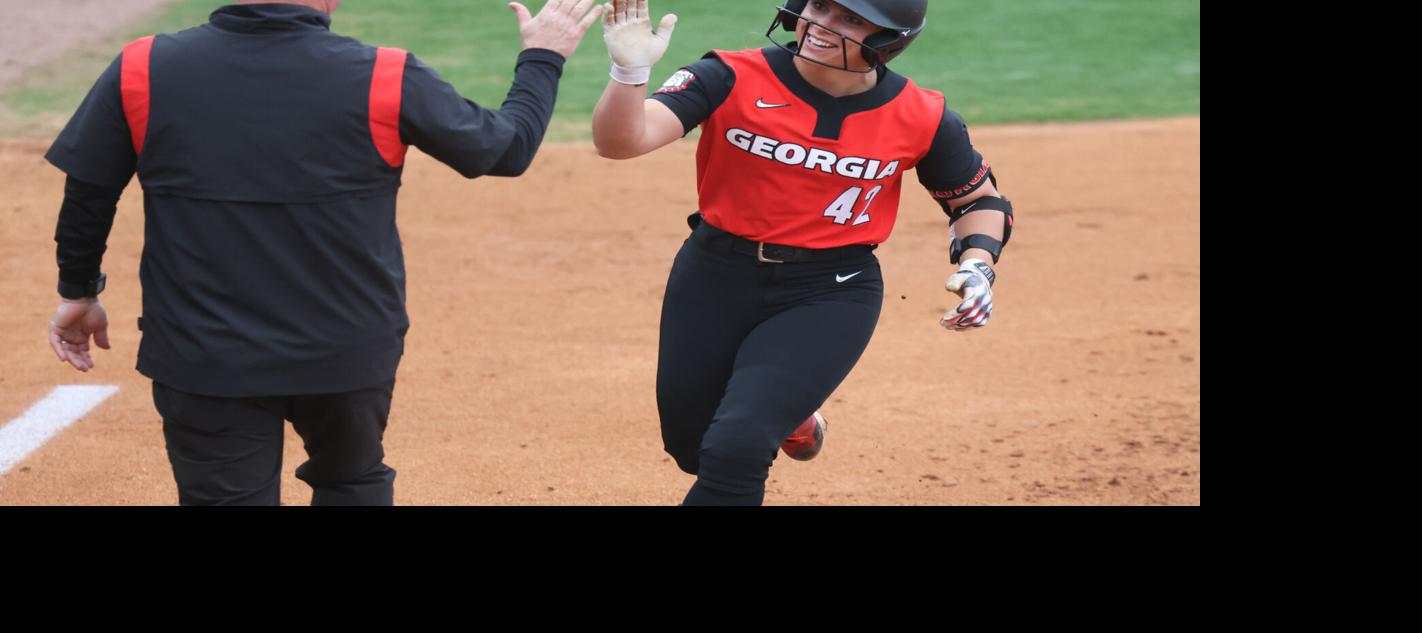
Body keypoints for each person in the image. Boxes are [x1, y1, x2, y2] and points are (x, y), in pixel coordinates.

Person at [45, 0, 606, 505]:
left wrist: (79, 290)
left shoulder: (142, 67)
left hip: (203, 351)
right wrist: (542, 57)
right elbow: (504, 150)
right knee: (351, 482)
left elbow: (89, 191)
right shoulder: (385, 75)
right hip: (346, 346)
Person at [591, 0, 1014, 505]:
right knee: (693, 446)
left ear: (889, 40)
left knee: (737, 446)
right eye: (819, 6)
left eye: (851, 20)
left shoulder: (923, 115)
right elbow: (620, 142)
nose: (821, 24)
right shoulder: (727, 75)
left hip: (830, 290)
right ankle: (793, 417)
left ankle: (773, 413)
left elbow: (978, 200)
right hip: (713, 274)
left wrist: (978, 265)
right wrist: (629, 70)